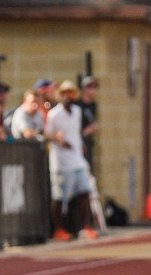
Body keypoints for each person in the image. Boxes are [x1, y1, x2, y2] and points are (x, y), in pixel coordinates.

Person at [45, 80, 96, 240]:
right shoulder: (54, 114)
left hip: (77, 159)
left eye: (71, 93)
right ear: (60, 95)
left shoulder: (77, 111)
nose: (68, 96)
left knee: (84, 193)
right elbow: (47, 134)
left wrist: (80, 146)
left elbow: (76, 132)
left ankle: (85, 227)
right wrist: (58, 139)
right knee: (59, 197)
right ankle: (58, 229)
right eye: (65, 93)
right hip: (61, 162)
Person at [77, 76, 100, 172]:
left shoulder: (94, 105)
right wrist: (85, 132)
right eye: (89, 87)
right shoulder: (77, 105)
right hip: (78, 144)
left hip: (88, 143)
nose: (92, 90)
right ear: (83, 89)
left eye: (95, 87)